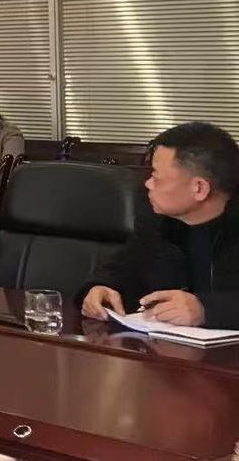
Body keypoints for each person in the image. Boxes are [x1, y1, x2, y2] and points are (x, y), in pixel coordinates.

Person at [79, 122, 239, 329]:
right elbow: (122, 267)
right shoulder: (157, 219)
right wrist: (99, 288)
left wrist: (207, 310)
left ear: (199, 188)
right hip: (161, 345)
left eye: (156, 178)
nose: (148, 184)